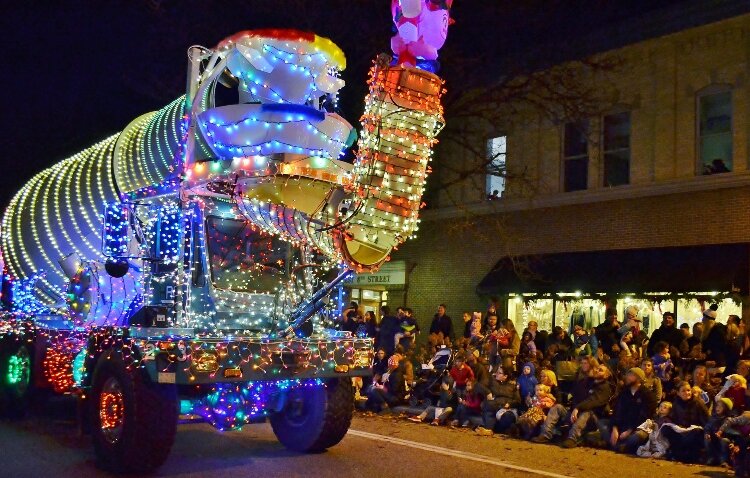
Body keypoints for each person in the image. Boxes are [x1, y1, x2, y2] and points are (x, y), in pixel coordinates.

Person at [532, 363, 613, 448]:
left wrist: (577, 408)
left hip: (592, 418)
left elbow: (593, 401)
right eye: (597, 368)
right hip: (575, 414)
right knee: (557, 407)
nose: (597, 370)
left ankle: (572, 438)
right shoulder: (588, 382)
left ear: (606, 375)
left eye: (601, 370)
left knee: (587, 412)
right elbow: (576, 396)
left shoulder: (605, 387)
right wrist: (574, 408)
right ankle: (545, 434)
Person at [610, 367, 658, 454]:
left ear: (639, 378)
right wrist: (615, 428)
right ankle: (620, 445)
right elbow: (617, 411)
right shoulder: (624, 393)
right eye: (628, 374)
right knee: (602, 423)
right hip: (622, 426)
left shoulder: (648, 395)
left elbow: (645, 416)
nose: (627, 377)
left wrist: (629, 431)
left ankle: (619, 445)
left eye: (631, 375)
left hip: (637, 428)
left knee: (637, 437)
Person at [660, 380, 708, 463]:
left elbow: (706, 420)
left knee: (695, 433)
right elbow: (673, 418)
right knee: (665, 429)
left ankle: (679, 454)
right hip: (681, 431)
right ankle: (679, 453)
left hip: (693, 431)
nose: (687, 393)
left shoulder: (698, 403)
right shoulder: (676, 403)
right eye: (683, 391)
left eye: (688, 390)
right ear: (678, 393)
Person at [475, 366, 521, 435]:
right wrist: (488, 392)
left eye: (499, 373)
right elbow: (478, 385)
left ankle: (491, 429)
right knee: (488, 407)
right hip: (494, 407)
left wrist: (510, 404)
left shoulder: (512, 386)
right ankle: (492, 429)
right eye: (497, 372)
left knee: (508, 417)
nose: (496, 374)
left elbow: (518, 400)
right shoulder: (491, 381)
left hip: (507, 409)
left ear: (505, 376)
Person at [704, 397, 733, 466]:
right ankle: (711, 458)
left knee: (724, 441)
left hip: (724, 439)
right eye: (717, 405)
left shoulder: (729, 419)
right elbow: (708, 426)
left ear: (726, 408)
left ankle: (723, 460)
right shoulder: (713, 417)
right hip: (714, 438)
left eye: (721, 406)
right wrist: (707, 433)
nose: (718, 407)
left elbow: (731, 432)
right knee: (707, 439)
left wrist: (722, 435)